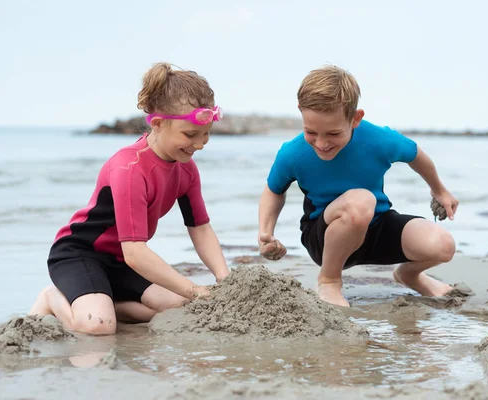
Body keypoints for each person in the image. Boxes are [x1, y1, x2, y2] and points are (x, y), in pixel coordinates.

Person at [29, 62, 230, 334]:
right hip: (80, 255)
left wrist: (224, 278)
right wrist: (195, 289)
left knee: (181, 306)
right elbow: (135, 252)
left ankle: (104, 301)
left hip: (121, 262)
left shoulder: (187, 169)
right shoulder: (130, 167)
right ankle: (52, 298)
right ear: (158, 124)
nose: (200, 144)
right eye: (190, 134)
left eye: (206, 134)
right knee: (98, 327)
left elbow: (200, 227)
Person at [258, 65, 459, 307]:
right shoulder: (293, 153)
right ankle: (329, 280)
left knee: (443, 245)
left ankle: (409, 275)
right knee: (360, 201)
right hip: (324, 238)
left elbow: (417, 156)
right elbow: (274, 190)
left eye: (333, 133)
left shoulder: (378, 140)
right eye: (311, 131)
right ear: (301, 112)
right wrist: (265, 233)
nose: (321, 143)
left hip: (377, 226)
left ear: (355, 119)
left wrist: (439, 190)